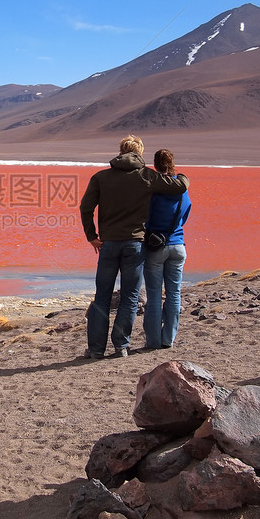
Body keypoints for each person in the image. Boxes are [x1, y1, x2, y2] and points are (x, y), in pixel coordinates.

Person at [79, 136, 190, 359]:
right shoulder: (147, 176)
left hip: (108, 244)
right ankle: (121, 346)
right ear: (140, 153)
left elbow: (85, 207)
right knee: (130, 296)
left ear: (120, 151)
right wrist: (183, 176)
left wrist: (91, 236)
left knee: (102, 296)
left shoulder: (101, 177)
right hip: (135, 245)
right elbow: (180, 186)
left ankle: (96, 349)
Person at [143, 149, 192, 350]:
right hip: (178, 246)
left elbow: (145, 216)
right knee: (174, 294)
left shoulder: (153, 191)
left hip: (156, 247)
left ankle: (153, 341)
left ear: (155, 164)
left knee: (154, 295)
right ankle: (168, 339)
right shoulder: (183, 191)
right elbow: (185, 216)